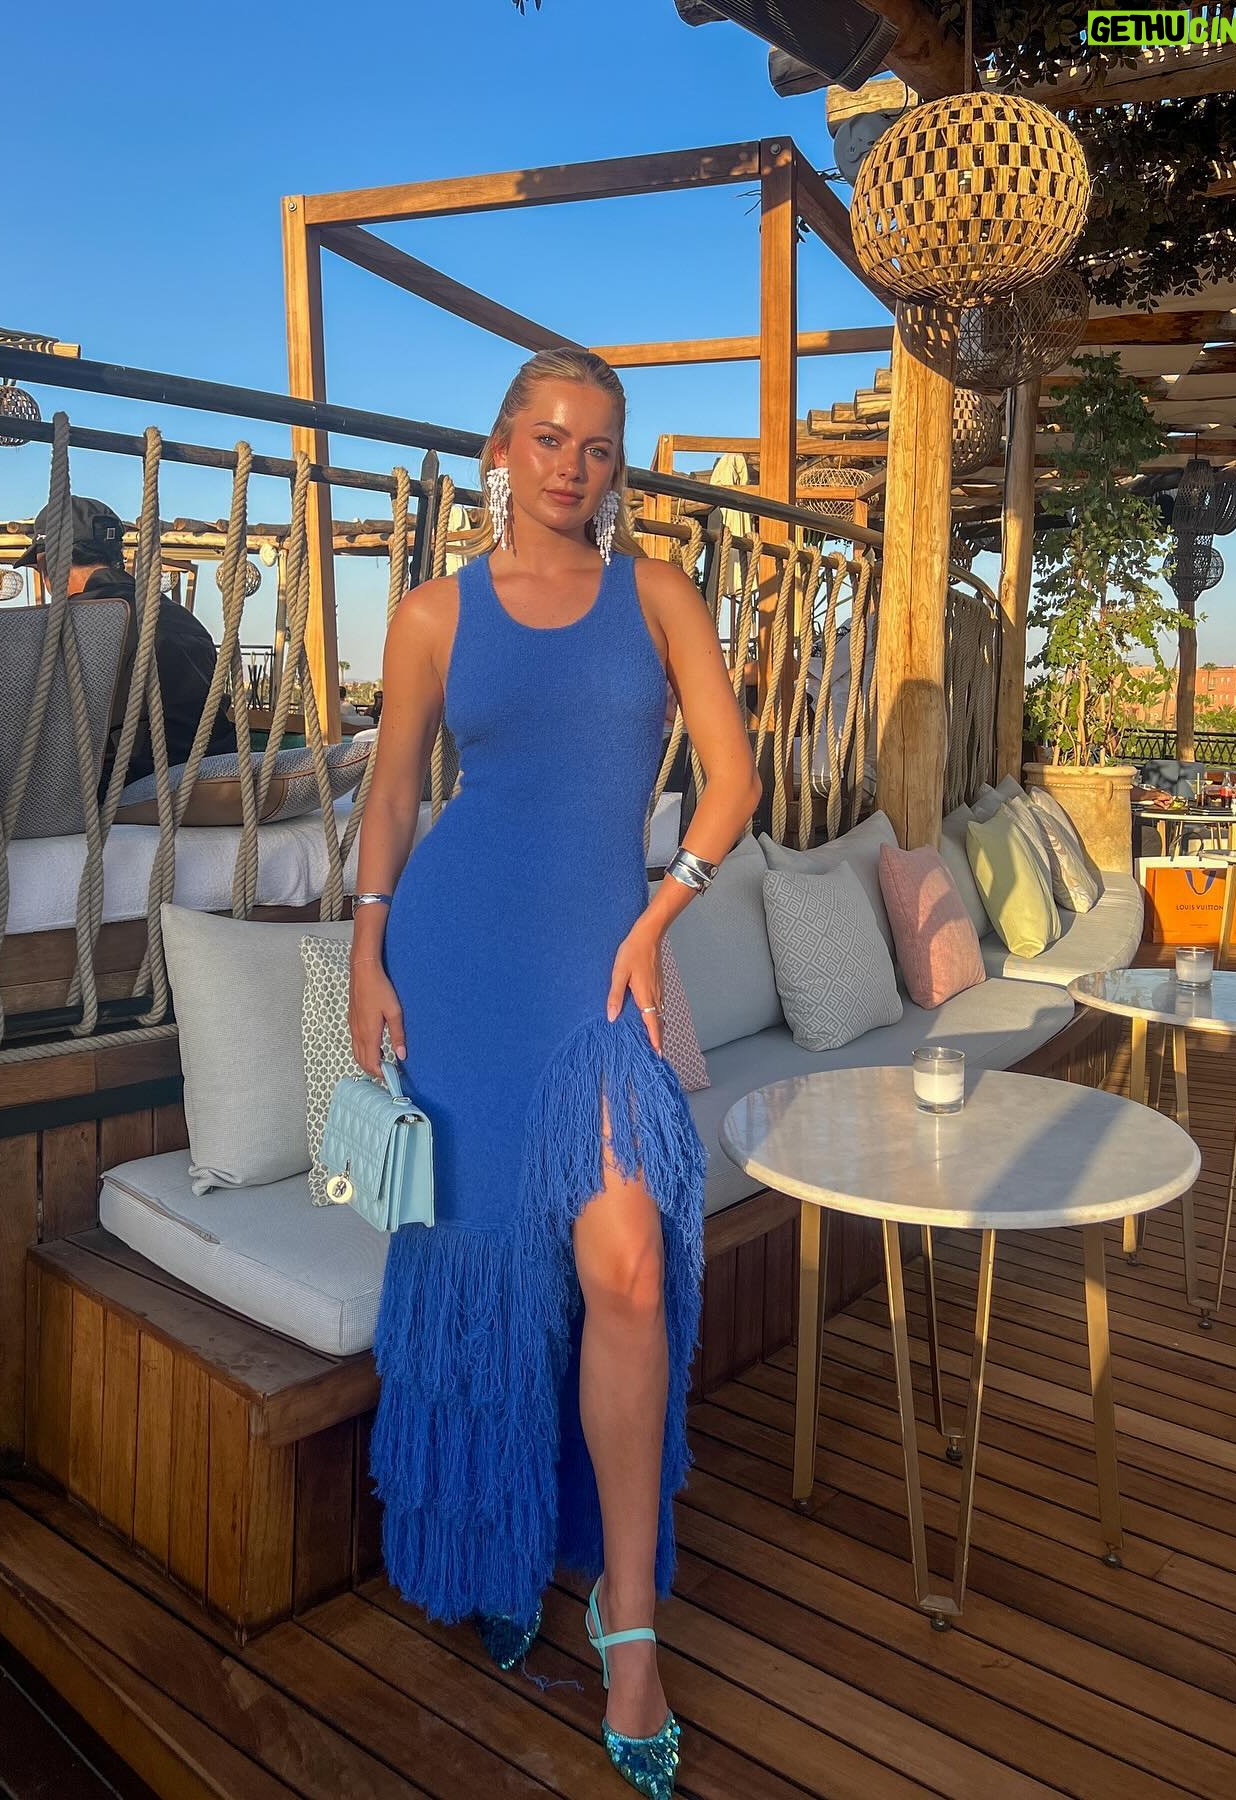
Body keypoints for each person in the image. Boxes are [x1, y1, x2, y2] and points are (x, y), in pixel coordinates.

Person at [349, 349, 761, 1796]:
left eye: (596, 445)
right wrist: (367, 946)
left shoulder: (658, 597)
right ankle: (508, 1544)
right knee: (492, 1281)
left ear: (615, 465)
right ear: (501, 449)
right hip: (454, 967)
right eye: (547, 438)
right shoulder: (430, 613)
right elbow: (394, 789)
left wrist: (660, 915)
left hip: (596, 977)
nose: (571, 466)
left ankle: (628, 1622)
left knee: (626, 1265)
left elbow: (733, 779)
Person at [18, 496, 234, 788]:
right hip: (207, 780)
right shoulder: (183, 619)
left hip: (125, 789)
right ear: (116, 557)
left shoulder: (68, 628)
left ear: (48, 562)